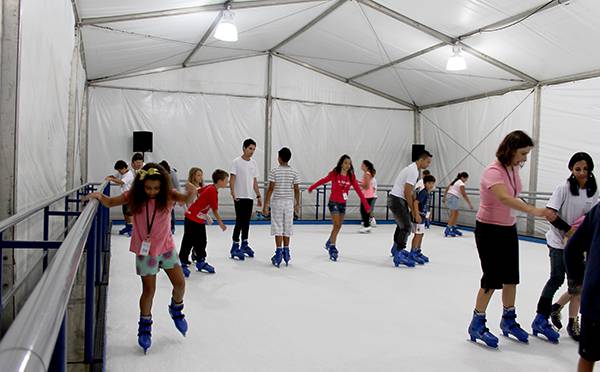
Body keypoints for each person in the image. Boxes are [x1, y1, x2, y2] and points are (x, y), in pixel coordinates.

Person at [88, 163, 195, 354]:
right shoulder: (133, 196)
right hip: (145, 252)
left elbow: (185, 198)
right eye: (148, 188)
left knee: (180, 284)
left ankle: (176, 309)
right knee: (149, 290)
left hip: (166, 248)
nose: (152, 192)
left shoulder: (168, 195)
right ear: (141, 186)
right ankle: (145, 324)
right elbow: (111, 202)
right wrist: (99, 196)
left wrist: (191, 191)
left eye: (156, 188)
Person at [467, 130, 554, 348]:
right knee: (491, 278)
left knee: (511, 277)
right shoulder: (492, 171)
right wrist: (533, 210)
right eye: (523, 153)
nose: (525, 158)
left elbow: (514, 194)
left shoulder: (513, 168)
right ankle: (477, 323)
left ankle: (508, 320)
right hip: (488, 230)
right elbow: (505, 197)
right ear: (511, 150)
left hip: (508, 228)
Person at [532, 152, 597, 343]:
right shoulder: (564, 188)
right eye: (578, 169)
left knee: (578, 285)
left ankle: (572, 322)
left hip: (579, 245)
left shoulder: (593, 191)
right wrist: (568, 231)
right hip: (558, 242)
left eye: (586, 169)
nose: (582, 172)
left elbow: (592, 217)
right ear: (571, 169)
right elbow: (550, 213)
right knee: (557, 278)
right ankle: (541, 317)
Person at [308, 154, 371, 261]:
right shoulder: (334, 174)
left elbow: (359, 191)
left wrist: (366, 204)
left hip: (343, 204)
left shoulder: (351, 177)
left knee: (338, 226)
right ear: (341, 163)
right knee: (336, 224)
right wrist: (312, 187)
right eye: (346, 163)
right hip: (333, 203)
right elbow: (323, 180)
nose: (347, 165)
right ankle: (332, 247)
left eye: (349, 164)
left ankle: (329, 241)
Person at [565, 205, 600, 372]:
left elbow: (572, 249)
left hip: (595, 296)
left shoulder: (598, 209)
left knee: (588, 356)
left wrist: (578, 280)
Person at [179, 170, 229, 277]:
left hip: (199, 219)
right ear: (220, 181)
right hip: (191, 218)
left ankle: (200, 261)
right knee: (188, 241)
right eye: (226, 180)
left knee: (202, 241)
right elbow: (215, 210)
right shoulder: (212, 191)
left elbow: (199, 191)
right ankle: (182, 263)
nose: (227, 183)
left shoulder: (210, 187)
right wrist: (220, 223)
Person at [388, 151, 432, 267]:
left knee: (401, 225)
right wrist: (413, 210)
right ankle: (399, 253)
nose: (428, 165)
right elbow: (407, 191)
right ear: (421, 160)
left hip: (396, 199)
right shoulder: (413, 171)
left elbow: (411, 192)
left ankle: (395, 249)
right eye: (427, 162)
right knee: (406, 227)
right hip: (397, 199)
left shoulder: (413, 169)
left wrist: (412, 208)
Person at [262, 147, 300, 267]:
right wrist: (297, 203)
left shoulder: (274, 171)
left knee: (278, 226)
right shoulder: (294, 172)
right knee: (287, 226)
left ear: (279, 158)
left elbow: (271, 188)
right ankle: (287, 252)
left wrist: (266, 204)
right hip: (289, 202)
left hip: (277, 202)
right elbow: (297, 189)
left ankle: (278, 253)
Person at [229, 139, 262, 260]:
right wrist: (233, 192)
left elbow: (254, 181)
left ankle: (244, 243)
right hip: (239, 196)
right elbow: (232, 178)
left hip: (249, 196)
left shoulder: (253, 163)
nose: (252, 151)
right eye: (250, 148)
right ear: (244, 148)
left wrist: (258, 195)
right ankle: (235, 245)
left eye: (253, 149)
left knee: (247, 222)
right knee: (239, 221)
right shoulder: (236, 162)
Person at [410, 174, 436, 264]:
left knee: (421, 234)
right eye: (429, 183)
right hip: (419, 217)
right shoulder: (423, 192)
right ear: (425, 183)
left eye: (432, 183)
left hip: (423, 217)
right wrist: (417, 215)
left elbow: (427, 205)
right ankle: (412, 253)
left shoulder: (428, 193)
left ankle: (417, 251)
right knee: (417, 234)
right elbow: (416, 203)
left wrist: (428, 215)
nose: (431, 185)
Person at [105, 160, 134, 236]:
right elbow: (115, 177)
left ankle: (132, 228)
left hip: (130, 196)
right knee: (125, 212)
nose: (119, 172)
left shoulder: (129, 174)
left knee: (129, 213)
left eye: (119, 170)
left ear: (124, 168)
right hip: (124, 196)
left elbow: (121, 182)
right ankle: (128, 227)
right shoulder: (121, 172)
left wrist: (111, 179)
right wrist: (110, 177)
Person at [443, 172, 474, 237]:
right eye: (466, 179)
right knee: (454, 214)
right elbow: (464, 194)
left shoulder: (455, 181)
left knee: (456, 213)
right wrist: (469, 204)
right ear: (462, 177)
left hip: (451, 197)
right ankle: (447, 230)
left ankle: (454, 228)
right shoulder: (461, 183)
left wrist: (444, 197)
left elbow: (447, 188)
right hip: (453, 197)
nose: (466, 180)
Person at [159, 160, 180, 234]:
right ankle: (164, 227)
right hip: (163, 195)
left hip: (172, 195)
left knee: (170, 212)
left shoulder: (172, 173)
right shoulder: (160, 173)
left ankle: (172, 227)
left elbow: (177, 185)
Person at [359, 160, 377, 233]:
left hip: (367, 195)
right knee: (365, 211)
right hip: (368, 195)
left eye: (362, 165)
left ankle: (367, 226)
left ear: (366, 166)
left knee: (363, 211)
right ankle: (366, 225)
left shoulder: (366, 174)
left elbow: (366, 186)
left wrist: (358, 185)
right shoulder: (368, 174)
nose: (361, 166)